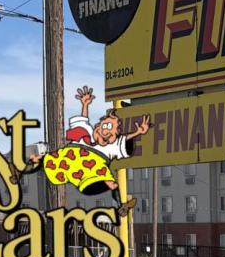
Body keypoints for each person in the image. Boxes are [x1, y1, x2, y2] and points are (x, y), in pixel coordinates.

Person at [14, 85, 151, 217]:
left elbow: (124, 140)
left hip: (90, 172)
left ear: (114, 134)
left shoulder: (111, 147)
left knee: (112, 183)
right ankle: (19, 172)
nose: (105, 129)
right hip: (71, 160)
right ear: (99, 124)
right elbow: (83, 120)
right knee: (43, 158)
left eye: (111, 128)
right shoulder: (88, 132)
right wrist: (85, 104)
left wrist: (138, 132)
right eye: (105, 124)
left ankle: (121, 206)